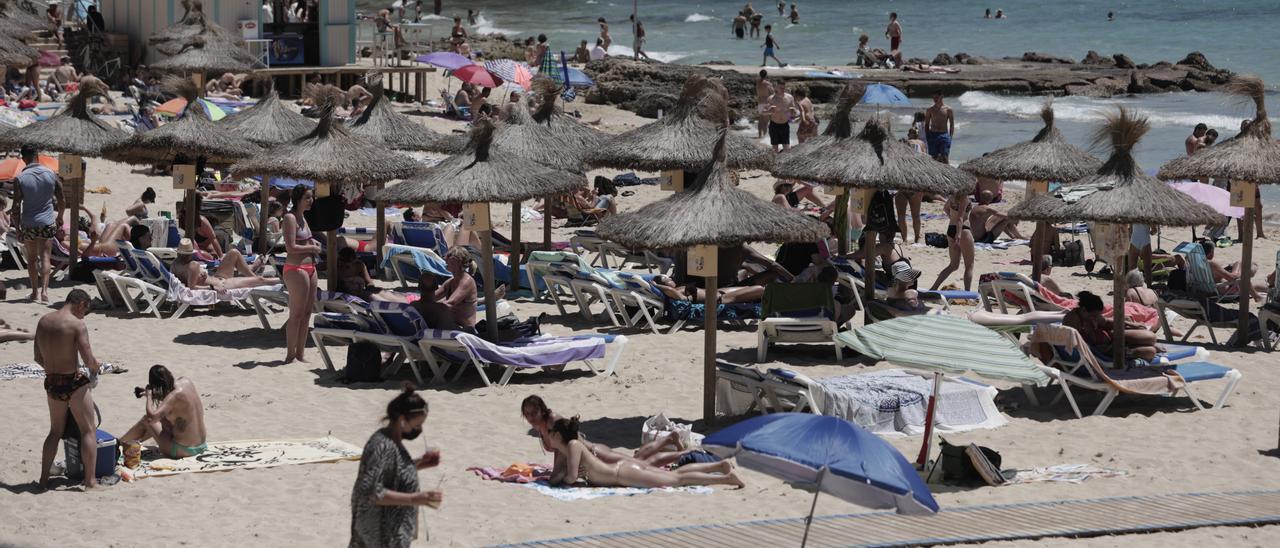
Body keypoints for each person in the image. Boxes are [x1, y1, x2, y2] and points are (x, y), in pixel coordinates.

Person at [349, 385, 442, 548]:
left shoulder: (392, 441)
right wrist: (415, 498)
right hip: (380, 532)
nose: (418, 430)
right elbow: (372, 490)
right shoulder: (382, 445)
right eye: (417, 425)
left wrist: (419, 463)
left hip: (392, 530)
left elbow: (392, 473)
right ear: (402, 420)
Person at [521, 396, 713, 473]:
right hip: (591, 456)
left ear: (542, 410)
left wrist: (557, 472)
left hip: (595, 453)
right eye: (527, 414)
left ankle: (689, 452)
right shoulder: (540, 425)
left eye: (533, 412)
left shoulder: (552, 420)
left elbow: (564, 447)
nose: (530, 417)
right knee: (637, 459)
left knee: (641, 463)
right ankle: (669, 439)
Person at [546, 417, 742, 488]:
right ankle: (718, 466)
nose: (547, 436)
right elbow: (557, 477)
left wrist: (564, 476)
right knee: (674, 475)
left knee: (675, 479)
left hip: (623, 474)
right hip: (623, 471)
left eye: (549, 433)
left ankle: (725, 479)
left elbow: (570, 477)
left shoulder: (572, 446)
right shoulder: (569, 448)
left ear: (557, 435)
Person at [35, 289, 99, 489]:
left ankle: (44, 480)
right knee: (88, 430)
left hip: (52, 382)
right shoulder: (76, 324)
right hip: (72, 382)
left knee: (55, 431)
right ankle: (90, 481)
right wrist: (96, 369)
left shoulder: (43, 321)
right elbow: (88, 359)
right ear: (81, 304)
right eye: (85, 311)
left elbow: (38, 357)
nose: (84, 315)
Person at [119, 365, 207, 464]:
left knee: (146, 421)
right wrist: (152, 393)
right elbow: (171, 400)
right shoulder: (186, 381)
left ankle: (117, 444)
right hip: (201, 445)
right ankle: (130, 442)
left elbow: (151, 418)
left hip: (183, 450)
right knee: (164, 418)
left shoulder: (174, 396)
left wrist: (149, 397)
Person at [11, 144, 63, 303]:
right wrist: (60, 216)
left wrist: (18, 228)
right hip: (47, 221)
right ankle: (45, 292)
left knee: (32, 259)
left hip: (29, 223)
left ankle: (34, 292)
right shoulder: (51, 174)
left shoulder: (20, 178)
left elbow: (15, 206)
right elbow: (62, 198)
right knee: (45, 257)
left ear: (24, 158)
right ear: (37, 156)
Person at [282, 186, 321, 364]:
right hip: (295, 268)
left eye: (311, 197)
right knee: (296, 314)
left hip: (310, 267)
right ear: (298, 199)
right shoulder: (290, 218)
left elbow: (302, 240)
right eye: (307, 198)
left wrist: (311, 241)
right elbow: (290, 247)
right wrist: (312, 247)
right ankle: (290, 354)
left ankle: (300, 354)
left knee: (306, 313)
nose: (311, 201)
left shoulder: (304, 218)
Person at [1063, 291, 1158, 362]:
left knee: (1151, 337)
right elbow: (1077, 345)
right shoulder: (1072, 320)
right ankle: (1130, 352)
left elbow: (1107, 322)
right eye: (1094, 315)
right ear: (1084, 310)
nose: (1096, 318)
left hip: (1111, 338)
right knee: (1150, 351)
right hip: (1103, 350)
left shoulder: (1090, 315)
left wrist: (1132, 325)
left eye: (1097, 315)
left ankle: (1136, 346)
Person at [172, 238, 277, 292]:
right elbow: (192, 288)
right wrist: (212, 288)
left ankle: (252, 275)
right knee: (260, 280)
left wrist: (200, 275)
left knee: (234, 252)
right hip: (222, 284)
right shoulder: (192, 265)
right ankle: (282, 281)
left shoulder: (175, 264)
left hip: (217, 278)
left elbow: (183, 283)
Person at [930, 193, 975, 291]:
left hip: (951, 229)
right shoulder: (964, 198)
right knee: (969, 265)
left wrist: (952, 218)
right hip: (963, 230)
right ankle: (967, 293)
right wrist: (958, 235)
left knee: (953, 265)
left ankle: (934, 288)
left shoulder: (952, 197)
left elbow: (945, 208)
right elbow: (960, 218)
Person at [438, 247, 478, 332]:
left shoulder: (467, 281)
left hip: (466, 330)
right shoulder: (450, 282)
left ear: (458, 261)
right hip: (454, 326)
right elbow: (432, 297)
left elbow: (451, 302)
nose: (445, 258)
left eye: (449, 256)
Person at [923, 91, 955, 163]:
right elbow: (927, 124)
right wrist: (928, 137)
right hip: (933, 135)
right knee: (933, 158)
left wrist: (950, 137)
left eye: (937, 97)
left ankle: (948, 173)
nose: (935, 99)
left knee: (945, 157)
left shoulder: (948, 109)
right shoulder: (930, 110)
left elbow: (952, 124)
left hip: (944, 134)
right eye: (933, 97)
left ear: (942, 97)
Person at [764, 80, 796, 151]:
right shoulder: (771, 98)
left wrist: (793, 113)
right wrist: (769, 111)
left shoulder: (790, 97)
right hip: (774, 125)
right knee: (775, 149)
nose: (782, 90)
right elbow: (763, 112)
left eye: (783, 88)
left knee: (786, 148)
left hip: (785, 125)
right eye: (780, 88)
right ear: (776, 88)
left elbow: (794, 112)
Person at [755, 69, 771, 139]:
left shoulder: (758, 82)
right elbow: (772, 91)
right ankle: (765, 136)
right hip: (766, 102)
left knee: (760, 119)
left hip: (759, 101)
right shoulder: (767, 83)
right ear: (766, 75)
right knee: (766, 121)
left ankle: (759, 135)